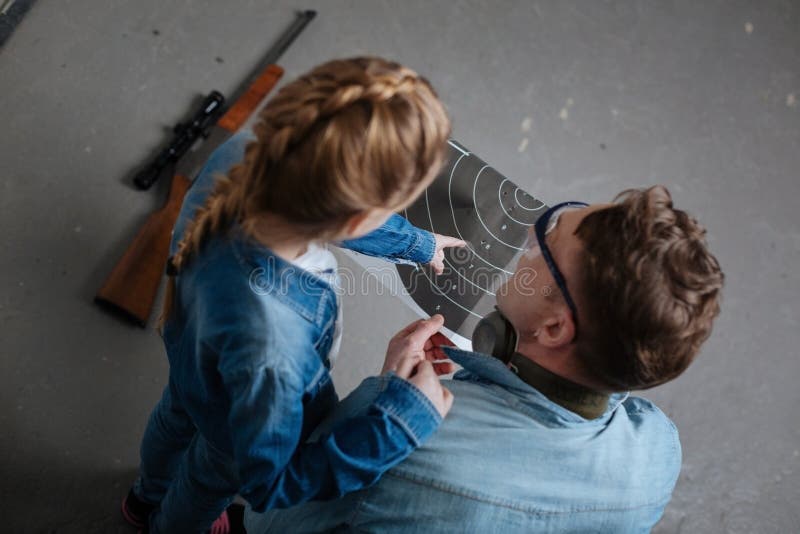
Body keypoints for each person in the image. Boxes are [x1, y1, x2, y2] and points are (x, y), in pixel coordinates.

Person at [245, 186, 724, 533]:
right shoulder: (660, 451)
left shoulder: (403, 437)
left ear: (555, 328)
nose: (524, 251)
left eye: (544, 248)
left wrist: (384, 406)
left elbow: (267, 516)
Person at [121, 57, 468, 533]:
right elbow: (271, 483)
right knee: (207, 480)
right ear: (352, 220)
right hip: (234, 418)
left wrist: (415, 243)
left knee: (173, 419)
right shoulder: (273, 345)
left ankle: (144, 498)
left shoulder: (247, 156)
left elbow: (321, 199)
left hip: (190, 353)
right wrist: (401, 421)